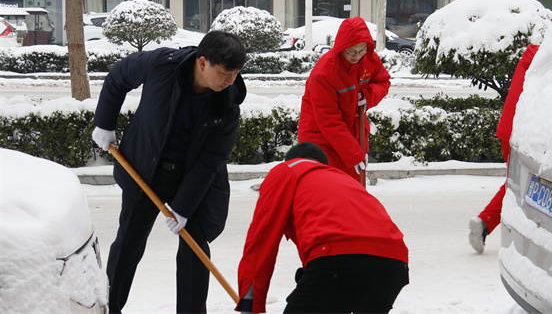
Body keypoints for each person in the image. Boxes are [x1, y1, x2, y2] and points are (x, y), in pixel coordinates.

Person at [91, 30, 247, 313]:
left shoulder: (228, 105)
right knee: (128, 243)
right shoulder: (162, 64)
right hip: (145, 170)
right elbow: (118, 77)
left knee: (195, 250)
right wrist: (104, 123)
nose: (229, 81)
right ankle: (109, 307)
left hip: (193, 180)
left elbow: (211, 159)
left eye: (235, 74)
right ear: (203, 63)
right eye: (225, 73)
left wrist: (184, 207)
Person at [235, 142, 409, 314]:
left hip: (338, 261)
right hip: (393, 266)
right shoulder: (343, 179)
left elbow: (261, 239)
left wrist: (250, 305)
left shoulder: (287, 170)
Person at [298, 17, 391, 182]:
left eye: (361, 51)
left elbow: (383, 81)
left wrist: (369, 96)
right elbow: (329, 121)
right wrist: (354, 154)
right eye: (351, 52)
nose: (357, 56)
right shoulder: (325, 73)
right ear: (341, 47)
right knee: (327, 190)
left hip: (351, 135)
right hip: (320, 139)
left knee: (351, 193)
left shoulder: (368, 59)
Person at [469, 44, 540, 254]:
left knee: (518, 184)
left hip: (509, 128)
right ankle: (485, 224)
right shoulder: (548, 60)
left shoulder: (532, 55)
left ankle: (484, 224)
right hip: (525, 133)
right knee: (523, 187)